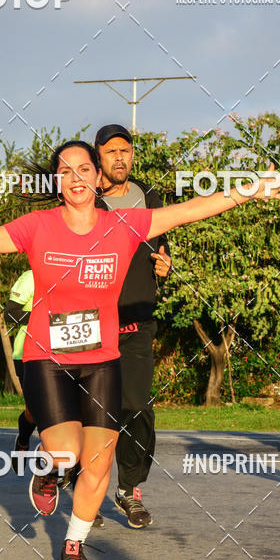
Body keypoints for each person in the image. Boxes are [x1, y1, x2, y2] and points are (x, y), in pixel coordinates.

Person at [0, 141, 280, 560]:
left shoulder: (124, 224)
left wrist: (249, 190)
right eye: (65, 171)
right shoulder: (37, 226)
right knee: (67, 454)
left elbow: (191, 209)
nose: (76, 178)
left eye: (84, 168)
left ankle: (73, 544)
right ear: (56, 181)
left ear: (98, 177)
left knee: (100, 459)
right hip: (48, 357)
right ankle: (49, 469)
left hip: (102, 359)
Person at [94, 124, 172, 528]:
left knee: (137, 407)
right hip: (92, 320)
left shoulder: (149, 196)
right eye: (111, 151)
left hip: (138, 319)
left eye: (126, 150)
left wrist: (165, 263)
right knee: (92, 410)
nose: (120, 157)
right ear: (99, 156)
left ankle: (128, 490)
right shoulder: (85, 198)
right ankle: (84, 488)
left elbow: (161, 246)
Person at [4, 269, 37, 472]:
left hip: (65, 352)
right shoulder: (30, 277)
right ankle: (23, 441)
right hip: (28, 353)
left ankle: (64, 464)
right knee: (35, 410)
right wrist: (41, 317)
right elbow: (10, 313)